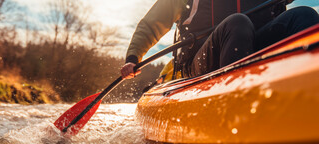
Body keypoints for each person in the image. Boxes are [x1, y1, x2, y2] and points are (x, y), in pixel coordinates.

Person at [120, 0, 319, 80]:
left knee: (304, 15)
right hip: (202, 61)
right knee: (237, 24)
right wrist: (133, 56)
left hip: (259, 53)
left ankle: (309, 84)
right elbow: (152, 23)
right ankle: (234, 103)